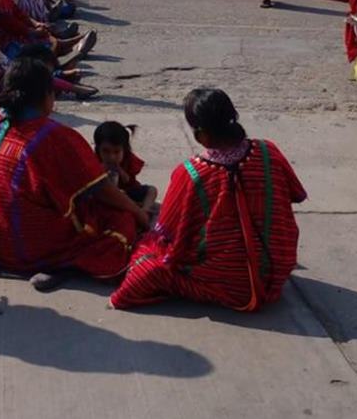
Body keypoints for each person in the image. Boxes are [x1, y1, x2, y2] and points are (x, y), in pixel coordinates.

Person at [0, 57, 147, 291]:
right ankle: (63, 265)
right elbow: (103, 191)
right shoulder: (53, 137)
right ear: (46, 96)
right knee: (121, 219)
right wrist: (139, 214)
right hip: (22, 250)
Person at [111, 88, 306, 311]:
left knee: (147, 252)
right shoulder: (268, 151)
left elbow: (168, 233)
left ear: (201, 135)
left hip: (229, 283)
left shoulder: (191, 173)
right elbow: (296, 194)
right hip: (276, 269)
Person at [94, 121, 158, 214]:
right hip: (107, 195)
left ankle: (145, 209)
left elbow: (128, 181)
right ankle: (135, 206)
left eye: (116, 152)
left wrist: (120, 170)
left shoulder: (128, 159)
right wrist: (100, 170)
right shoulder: (94, 160)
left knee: (152, 190)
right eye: (106, 151)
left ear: (124, 150)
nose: (111, 157)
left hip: (128, 192)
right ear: (98, 149)